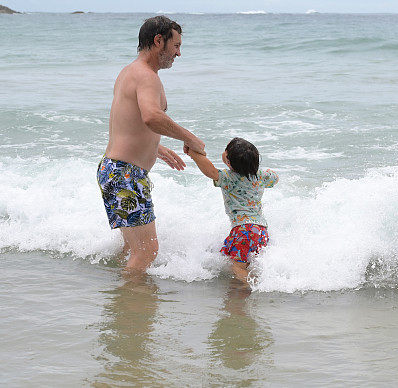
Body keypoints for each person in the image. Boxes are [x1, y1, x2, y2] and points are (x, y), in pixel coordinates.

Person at [97, 15, 206, 273]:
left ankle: (121, 298)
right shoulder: (147, 76)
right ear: (159, 41)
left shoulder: (129, 72)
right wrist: (191, 139)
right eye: (176, 46)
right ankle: (131, 308)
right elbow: (151, 116)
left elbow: (128, 121)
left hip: (115, 170)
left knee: (132, 250)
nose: (179, 53)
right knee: (147, 251)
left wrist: (155, 149)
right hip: (125, 174)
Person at [185, 137, 279, 284]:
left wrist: (194, 153)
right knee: (229, 258)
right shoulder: (261, 176)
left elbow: (209, 170)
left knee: (237, 267)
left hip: (243, 230)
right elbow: (275, 178)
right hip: (261, 230)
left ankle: (249, 290)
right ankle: (252, 286)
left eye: (226, 151)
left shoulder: (228, 177)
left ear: (228, 162)